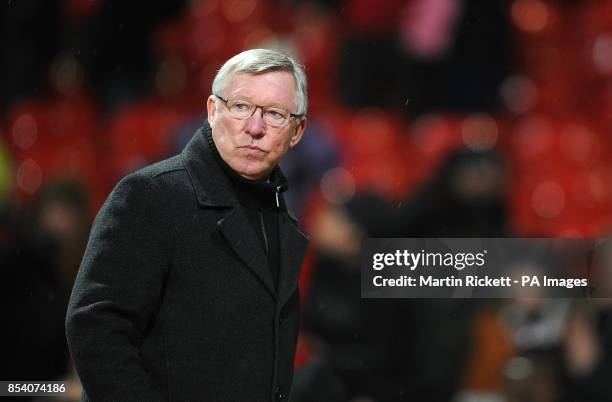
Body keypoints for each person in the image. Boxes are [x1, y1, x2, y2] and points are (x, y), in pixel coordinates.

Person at [65, 48, 309, 402]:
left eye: (274, 114)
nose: (254, 128)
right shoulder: (151, 195)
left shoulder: (276, 214)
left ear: (297, 130)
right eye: (240, 106)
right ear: (212, 110)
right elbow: (96, 327)